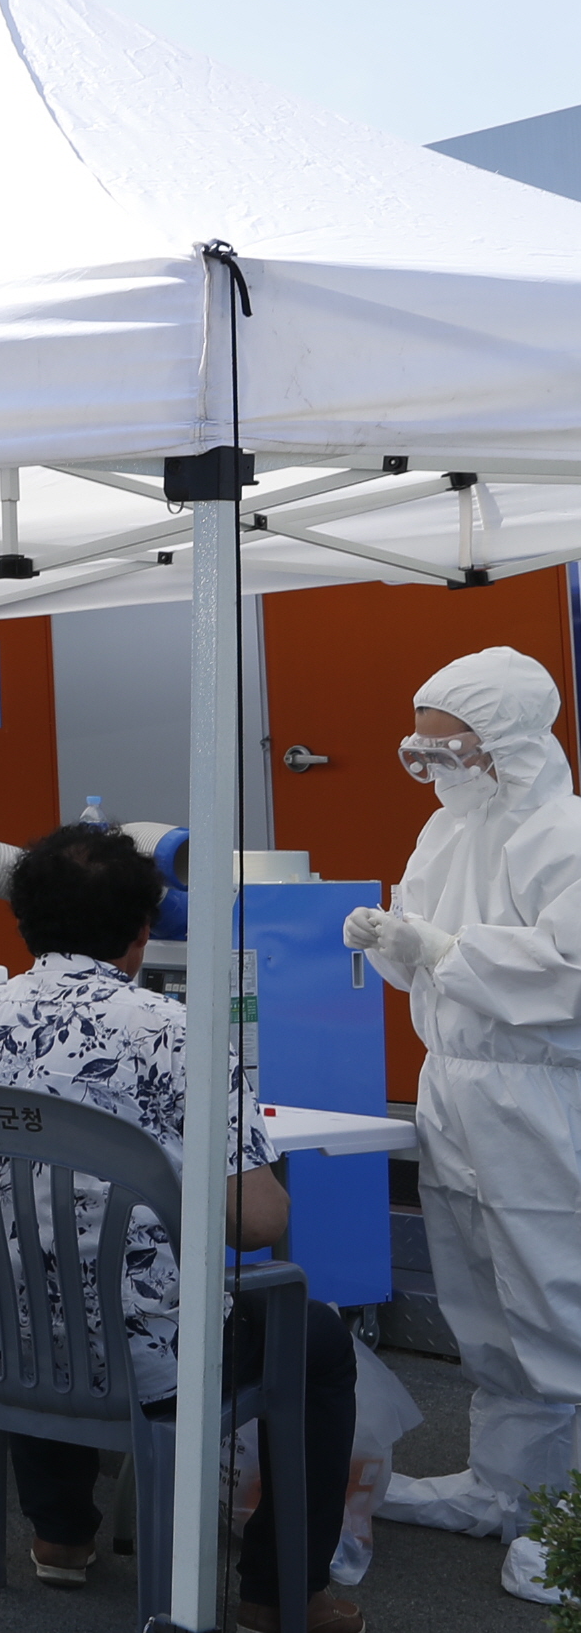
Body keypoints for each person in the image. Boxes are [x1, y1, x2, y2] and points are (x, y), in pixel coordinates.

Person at [0, 824, 358, 1633]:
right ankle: (276, 1594)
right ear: (144, 930)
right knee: (313, 1339)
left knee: (33, 1267)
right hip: (146, 1362)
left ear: (21, 921)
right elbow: (257, 1222)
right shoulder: (179, 1033)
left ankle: (60, 1536)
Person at [350, 647, 581, 1604]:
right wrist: (395, 945)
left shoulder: (560, 834)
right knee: (480, 1310)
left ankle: (566, 1527)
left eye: (450, 751)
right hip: (452, 1088)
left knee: (554, 1304)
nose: (433, 770)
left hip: (538, 1096)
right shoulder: (446, 835)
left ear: (511, 745)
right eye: (421, 751)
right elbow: (422, 952)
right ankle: (505, 1489)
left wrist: (444, 947)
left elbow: (567, 972)